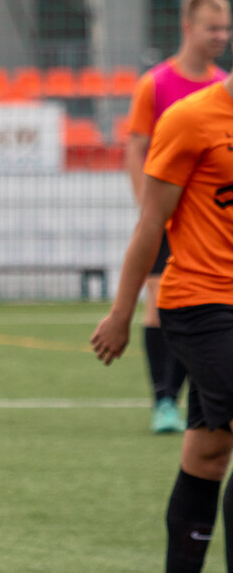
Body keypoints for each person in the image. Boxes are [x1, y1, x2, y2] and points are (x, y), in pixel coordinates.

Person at [91, 69, 233, 571]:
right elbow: (151, 221)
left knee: (210, 452)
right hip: (200, 303)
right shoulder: (191, 120)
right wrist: (122, 313)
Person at [123, 0, 231, 433]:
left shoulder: (222, 81)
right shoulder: (157, 83)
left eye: (226, 29)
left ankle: (197, 399)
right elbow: (137, 146)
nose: (220, 36)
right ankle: (163, 400)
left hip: (207, 220)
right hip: (167, 213)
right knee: (158, 305)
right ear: (188, 28)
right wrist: (146, 207)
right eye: (212, 28)